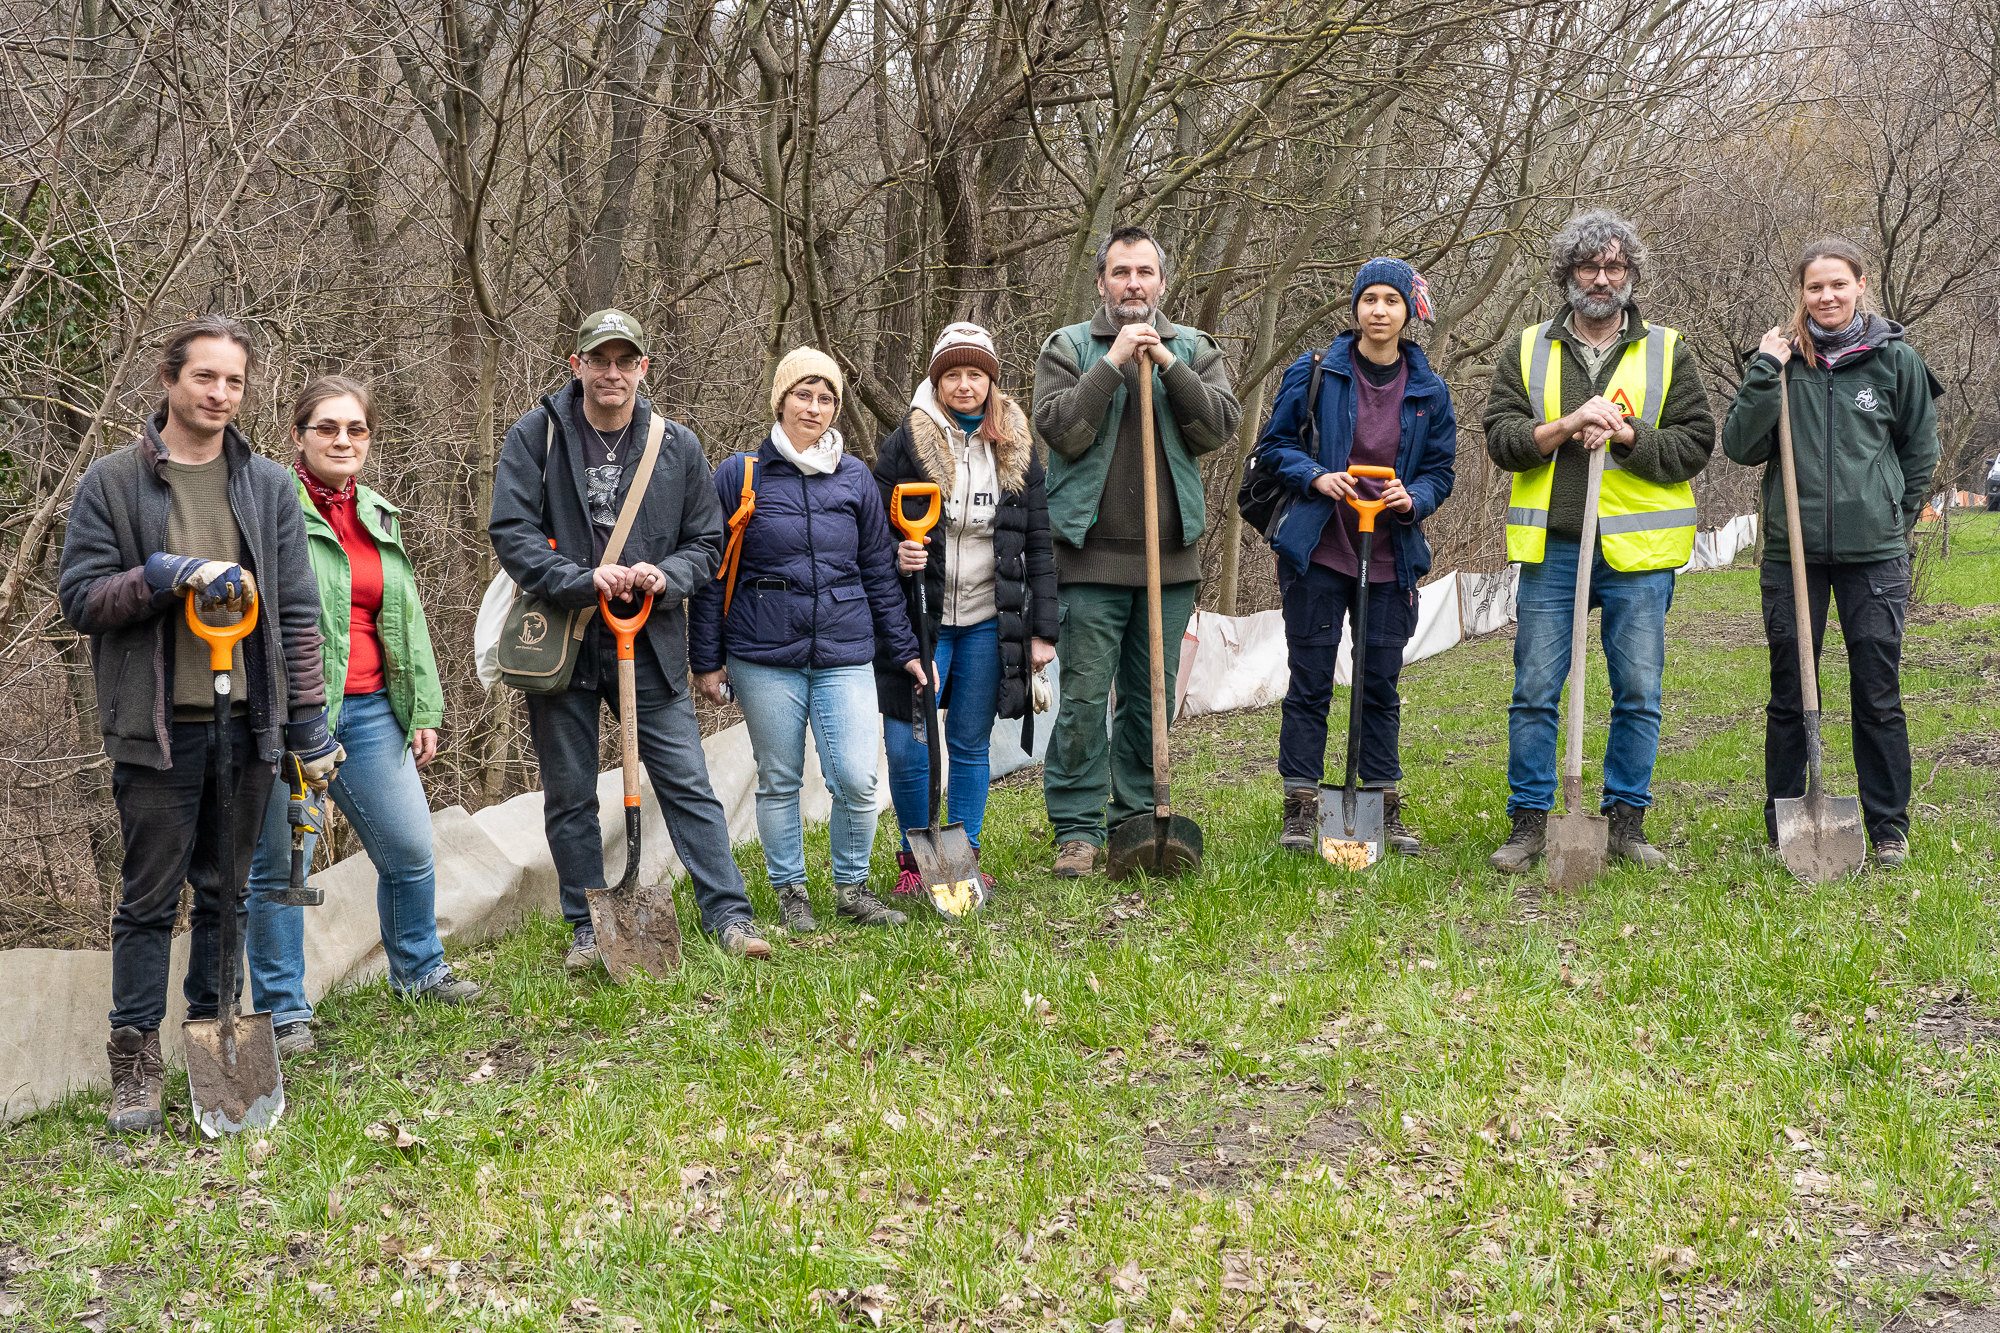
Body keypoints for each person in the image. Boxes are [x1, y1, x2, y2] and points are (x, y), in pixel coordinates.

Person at [57, 315, 341, 1135]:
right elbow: (81, 598)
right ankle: (135, 1062)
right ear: (169, 379)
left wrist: (308, 723)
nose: (220, 394)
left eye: (234, 381)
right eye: (204, 377)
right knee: (149, 899)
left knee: (227, 893)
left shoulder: (268, 486)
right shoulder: (113, 483)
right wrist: (161, 575)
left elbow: (296, 613)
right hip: (158, 730)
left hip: (247, 725)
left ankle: (218, 1042)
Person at [491, 308, 769, 968]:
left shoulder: (676, 446)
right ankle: (589, 926)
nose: (611, 373)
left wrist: (666, 577)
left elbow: (707, 543)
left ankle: (728, 914)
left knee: (687, 782)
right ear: (577, 364)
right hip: (563, 641)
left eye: (624, 361)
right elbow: (512, 533)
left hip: (650, 643)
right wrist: (579, 579)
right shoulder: (537, 435)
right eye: (599, 360)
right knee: (570, 793)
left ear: (643, 367)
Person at [243, 377, 480, 1058]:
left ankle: (419, 970)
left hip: (374, 710)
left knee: (409, 849)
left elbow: (405, 615)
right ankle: (284, 1011)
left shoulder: (377, 512)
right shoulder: (269, 509)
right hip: (290, 717)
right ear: (298, 435)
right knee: (281, 868)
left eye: (356, 429)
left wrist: (423, 706)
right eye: (327, 427)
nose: (343, 440)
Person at [1482, 209, 1716, 872]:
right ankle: (1530, 823)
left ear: (1631, 274)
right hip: (1554, 549)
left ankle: (1625, 823)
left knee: (1637, 691)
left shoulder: (1667, 351)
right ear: (1568, 274)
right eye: (1590, 266)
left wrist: (1627, 434)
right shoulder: (1528, 349)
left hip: (1638, 555)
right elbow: (1501, 438)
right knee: (1535, 688)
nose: (1603, 279)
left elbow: (1696, 443)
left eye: (1615, 266)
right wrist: (1565, 425)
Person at [1721, 237, 1941, 868]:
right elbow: (1740, 446)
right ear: (1801, 292)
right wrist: (1764, 370)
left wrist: (1892, 517)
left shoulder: (1895, 360)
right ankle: (1786, 821)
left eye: (1838, 284)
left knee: (1877, 690)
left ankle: (1888, 827)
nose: (1827, 296)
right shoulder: (1781, 360)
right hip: (1794, 553)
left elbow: (1920, 450)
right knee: (1791, 689)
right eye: (1815, 287)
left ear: (1860, 285)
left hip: (1875, 554)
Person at [1034, 224, 1243, 877]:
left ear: (1162, 282)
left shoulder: (1195, 348)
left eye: (1144, 272)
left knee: (1149, 701)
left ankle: (1134, 819)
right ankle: (1076, 829)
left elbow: (1218, 427)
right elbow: (1061, 430)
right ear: (1101, 281)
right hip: (1089, 560)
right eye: (1120, 272)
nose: (1133, 284)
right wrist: (1113, 363)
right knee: (1083, 700)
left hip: (1168, 563)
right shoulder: (1068, 346)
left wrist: (1169, 366)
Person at [690, 349, 924, 930]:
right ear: (780, 401)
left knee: (857, 779)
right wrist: (706, 659)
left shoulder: (856, 478)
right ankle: (791, 892)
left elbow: (878, 571)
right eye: (803, 395)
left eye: (826, 398)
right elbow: (712, 574)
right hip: (762, 652)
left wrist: (905, 650)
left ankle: (852, 888)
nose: (814, 408)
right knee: (779, 779)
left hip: (846, 648)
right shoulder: (739, 475)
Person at [1257, 258, 1457, 855]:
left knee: (1379, 685)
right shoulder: (1317, 372)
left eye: (1391, 301)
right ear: (1355, 308)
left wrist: (1413, 498)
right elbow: (1275, 446)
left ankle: (1381, 802)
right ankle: (1300, 805)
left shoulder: (1429, 390)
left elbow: (1441, 471)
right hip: (1321, 550)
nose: (1379, 311)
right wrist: (1316, 476)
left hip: (1390, 555)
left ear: (1407, 312)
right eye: (1369, 299)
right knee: (1310, 681)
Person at [872, 322, 1057, 895]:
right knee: (908, 745)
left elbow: (1039, 543)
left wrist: (1042, 632)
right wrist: (895, 552)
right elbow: (870, 529)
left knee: (970, 743)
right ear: (937, 381)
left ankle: (964, 857)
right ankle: (915, 862)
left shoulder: (1016, 446)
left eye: (976, 374)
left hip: (986, 621)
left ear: (991, 382)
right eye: (952, 374)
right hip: (919, 622)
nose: (964, 385)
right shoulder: (906, 443)